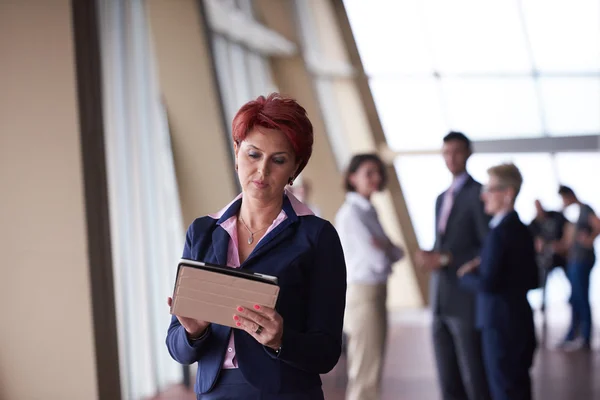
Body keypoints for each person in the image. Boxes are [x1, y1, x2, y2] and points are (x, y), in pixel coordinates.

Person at [165, 94, 347, 399]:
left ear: (295, 168)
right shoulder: (204, 231)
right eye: (253, 155)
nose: (262, 171)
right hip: (215, 393)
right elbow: (178, 348)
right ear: (236, 152)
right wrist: (193, 333)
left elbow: (326, 353)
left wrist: (281, 340)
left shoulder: (318, 236)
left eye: (278, 160)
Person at [414, 131, 491, 400]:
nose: (451, 158)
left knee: (473, 371)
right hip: (441, 296)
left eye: (457, 151)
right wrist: (431, 255)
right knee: (446, 374)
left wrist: (446, 258)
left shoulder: (480, 194)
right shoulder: (440, 198)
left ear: (468, 154)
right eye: (446, 152)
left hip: (465, 297)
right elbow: (446, 243)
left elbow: (486, 247)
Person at [458, 163, 538, 400]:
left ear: (508, 193)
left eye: (490, 189)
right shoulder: (521, 229)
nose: (484, 196)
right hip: (519, 320)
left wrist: (466, 276)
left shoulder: (499, 233)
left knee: (504, 389)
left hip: (499, 324)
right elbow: (532, 278)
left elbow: (487, 284)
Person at [335, 153, 404, 400]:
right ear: (352, 177)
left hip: (375, 292)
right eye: (368, 173)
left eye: (378, 172)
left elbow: (398, 253)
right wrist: (385, 248)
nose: (375, 178)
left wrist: (384, 247)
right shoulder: (352, 213)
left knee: (370, 367)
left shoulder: (368, 210)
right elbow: (380, 259)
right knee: (365, 370)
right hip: (363, 294)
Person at [558, 185, 600, 350]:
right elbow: (567, 241)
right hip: (574, 260)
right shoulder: (571, 214)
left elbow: (598, 224)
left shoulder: (584, 209)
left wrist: (589, 240)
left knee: (581, 297)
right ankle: (573, 335)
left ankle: (585, 337)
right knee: (575, 298)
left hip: (583, 260)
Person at [528, 200, 568, 315]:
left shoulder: (555, 216)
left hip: (560, 257)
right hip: (544, 260)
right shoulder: (533, 224)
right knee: (542, 281)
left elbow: (567, 226)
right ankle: (543, 304)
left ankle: (571, 298)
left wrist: (563, 243)